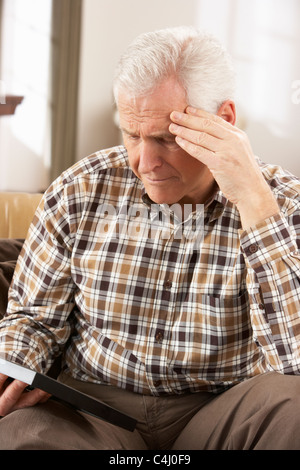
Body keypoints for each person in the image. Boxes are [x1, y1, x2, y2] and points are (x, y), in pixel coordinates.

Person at [0, 25, 300, 450]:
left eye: (165, 138)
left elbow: (294, 361)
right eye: (132, 134)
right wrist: (13, 363)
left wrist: (254, 202)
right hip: (90, 410)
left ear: (225, 122)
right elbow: (34, 320)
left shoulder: (284, 204)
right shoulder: (80, 190)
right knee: (19, 433)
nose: (146, 161)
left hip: (223, 412)